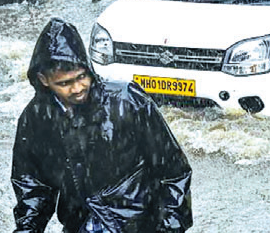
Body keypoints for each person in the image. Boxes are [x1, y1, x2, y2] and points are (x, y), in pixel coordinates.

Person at [12, 18, 193, 232]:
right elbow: (33, 186)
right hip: (79, 224)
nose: (78, 88)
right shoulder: (36, 118)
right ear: (43, 80)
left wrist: (169, 227)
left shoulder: (127, 101)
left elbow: (175, 172)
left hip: (137, 224)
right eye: (65, 83)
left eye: (82, 77)